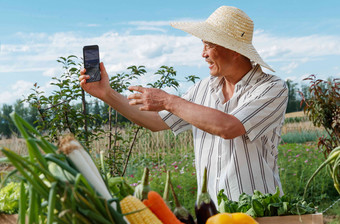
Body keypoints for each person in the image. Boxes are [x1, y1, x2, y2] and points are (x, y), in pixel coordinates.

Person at [79, 6, 288, 205]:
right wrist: (106, 94)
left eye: (209, 44)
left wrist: (168, 100)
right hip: (213, 215)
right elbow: (156, 121)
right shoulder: (202, 89)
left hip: (261, 213)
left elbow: (229, 127)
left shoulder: (272, 88)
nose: (203, 53)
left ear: (234, 50)